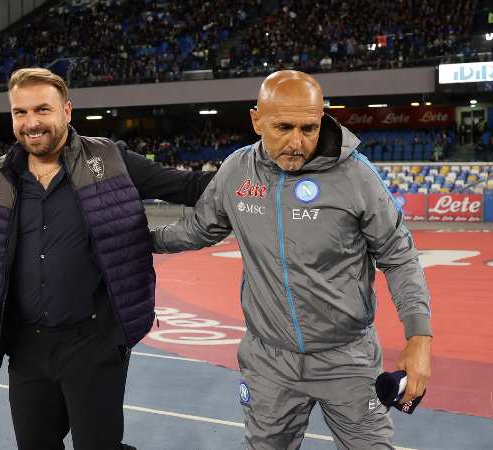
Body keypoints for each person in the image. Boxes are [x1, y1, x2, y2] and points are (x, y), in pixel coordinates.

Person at [151, 70, 432, 449]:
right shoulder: (237, 171)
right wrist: (142, 241)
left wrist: (418, 336)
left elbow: (399, 256)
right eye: (283, 127)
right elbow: (199, 228)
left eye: (309, 128)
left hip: (347, 360)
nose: (297, 143)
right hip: (269, 362)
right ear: (256, 120)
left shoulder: (357, 177)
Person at [0, 68, 214, 450]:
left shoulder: (110, 160)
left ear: (67, 111)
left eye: (42, 109)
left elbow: (188, 186)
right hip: (26, 346)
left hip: (93, 341)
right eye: (20, 112)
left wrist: (257, 173)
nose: (31, 122)